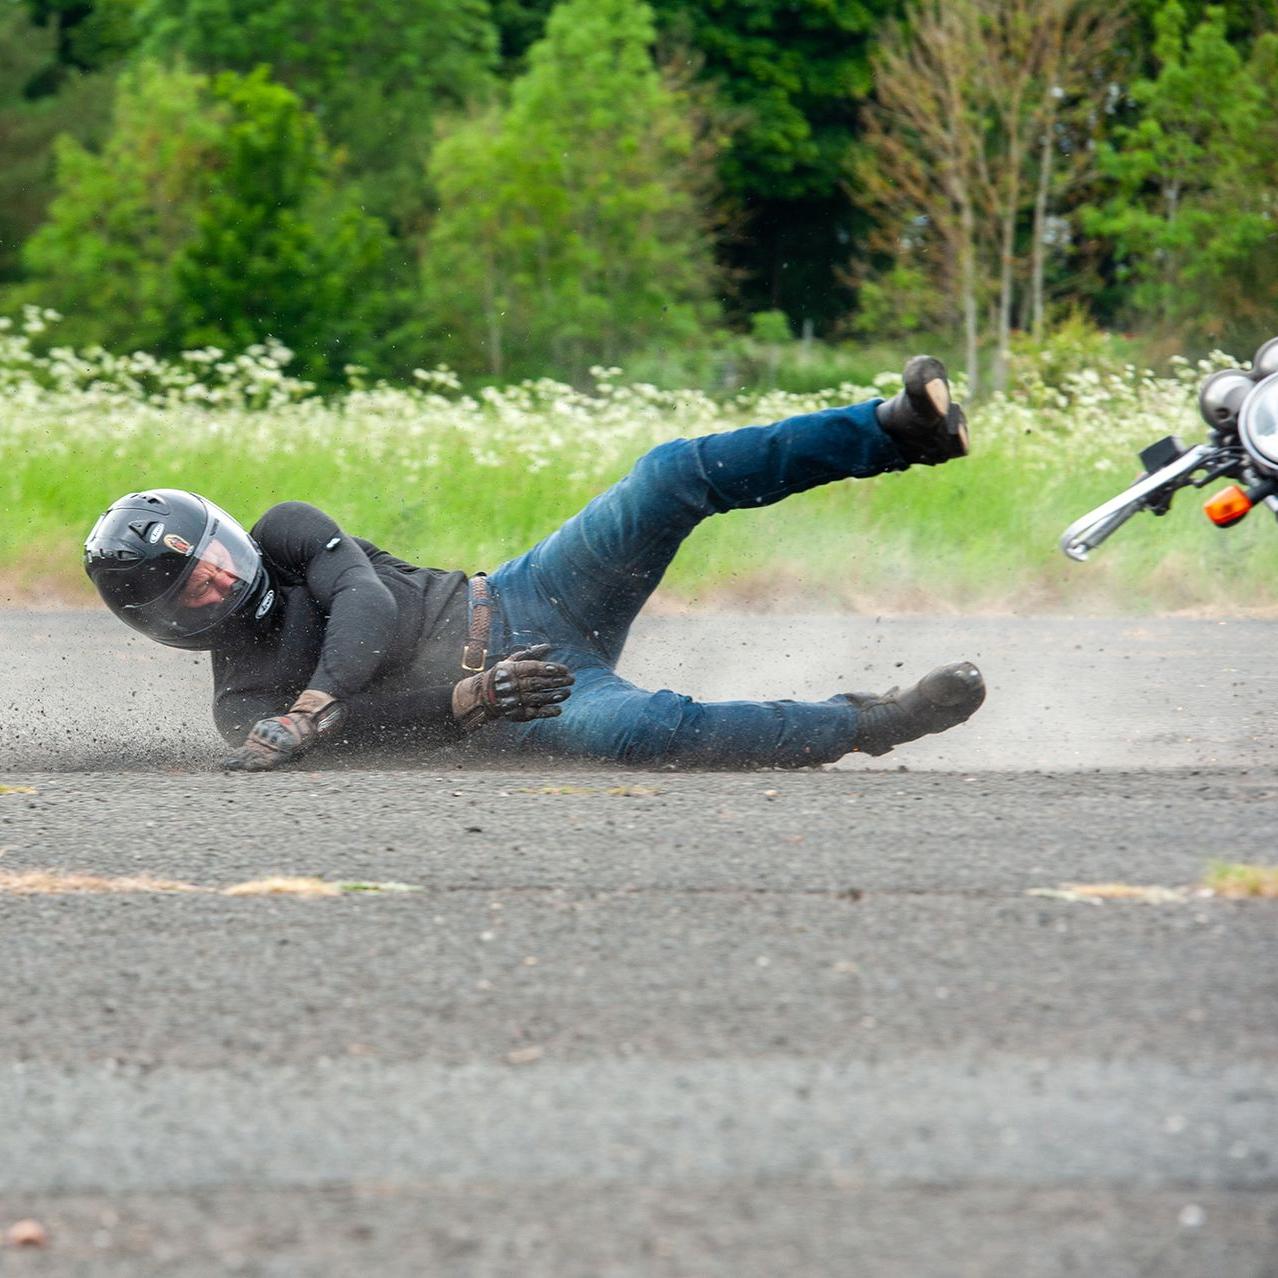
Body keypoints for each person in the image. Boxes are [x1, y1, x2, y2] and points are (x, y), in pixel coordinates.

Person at [83, 356, 986, 772]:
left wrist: (312, 709)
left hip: (523, 588)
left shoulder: (285, 532)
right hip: (525, 697)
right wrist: (467, 701)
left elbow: (364, 602)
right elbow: (371, 733)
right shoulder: (240, 705)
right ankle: (870, 723)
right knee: (642, 735)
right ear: (163, 624)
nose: (218, 578)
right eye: (191, 587)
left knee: (669, 474)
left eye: (211, 556)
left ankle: (896, 431)